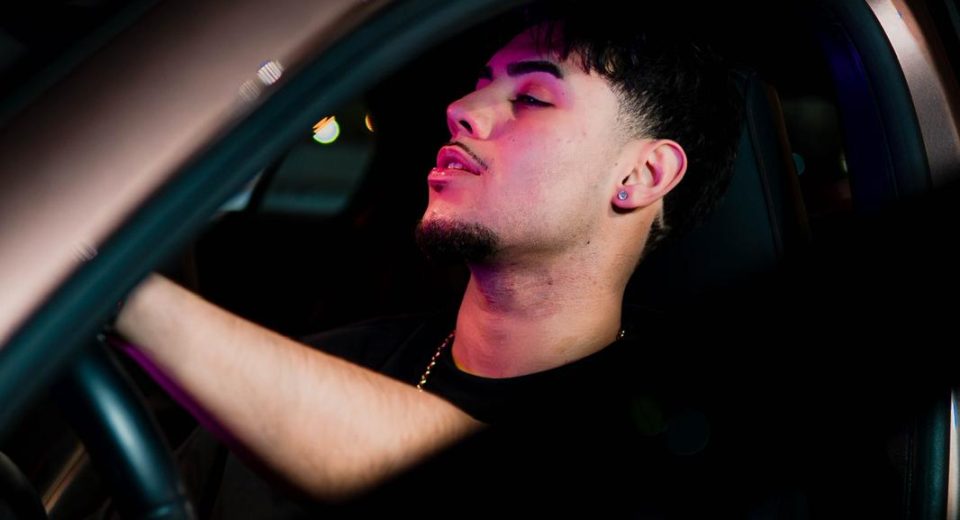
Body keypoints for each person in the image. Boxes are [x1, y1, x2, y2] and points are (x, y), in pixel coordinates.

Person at [112, 1, 743, 515]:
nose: (461, 110)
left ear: (641, 175)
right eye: (480, 85)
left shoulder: (688, 421)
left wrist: (122, 289)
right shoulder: (307, 369)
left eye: (531, 98)